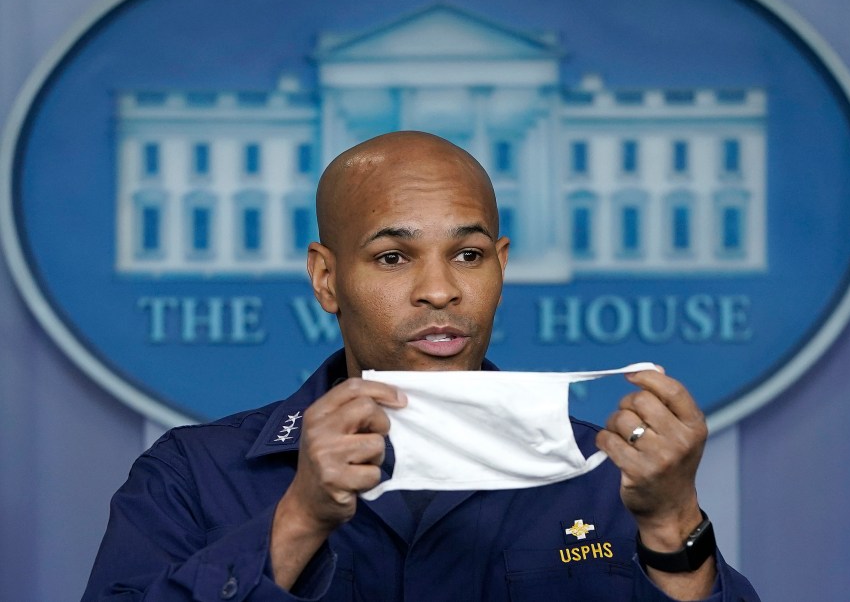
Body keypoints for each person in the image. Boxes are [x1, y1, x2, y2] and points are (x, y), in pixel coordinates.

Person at [82, 131, 759, 601]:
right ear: (326, 278)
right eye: (393, 257)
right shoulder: (193, 477)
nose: (440, 291)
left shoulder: (607, 477)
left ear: (501, 266)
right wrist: (299, 520)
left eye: (468, 255)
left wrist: (674, 525)